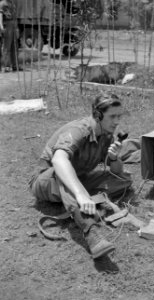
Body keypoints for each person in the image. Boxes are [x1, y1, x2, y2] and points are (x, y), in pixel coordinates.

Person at [29, 93, 132, 259]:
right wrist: (81, 194)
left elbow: (117, 172)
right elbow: (59, 160)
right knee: (64, 175)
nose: (117, 121)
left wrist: (114, 157)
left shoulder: (106, 136)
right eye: (112, 116)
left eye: (119, 116)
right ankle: (91, 230)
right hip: (45, 181)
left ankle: (83, 201)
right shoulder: (78, 130)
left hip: (77, 178)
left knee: (124, 180)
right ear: (98, 115)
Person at [0, 0, 20, 72]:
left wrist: (17, 28)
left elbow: (15, 16)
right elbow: (0, 15)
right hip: (7, 24)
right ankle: (5, 66)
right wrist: (1, 26)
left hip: (14, 23)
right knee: (6, 46)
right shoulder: (2, 3)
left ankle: (15, 65)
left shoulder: (12, 3)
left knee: (15, 46)